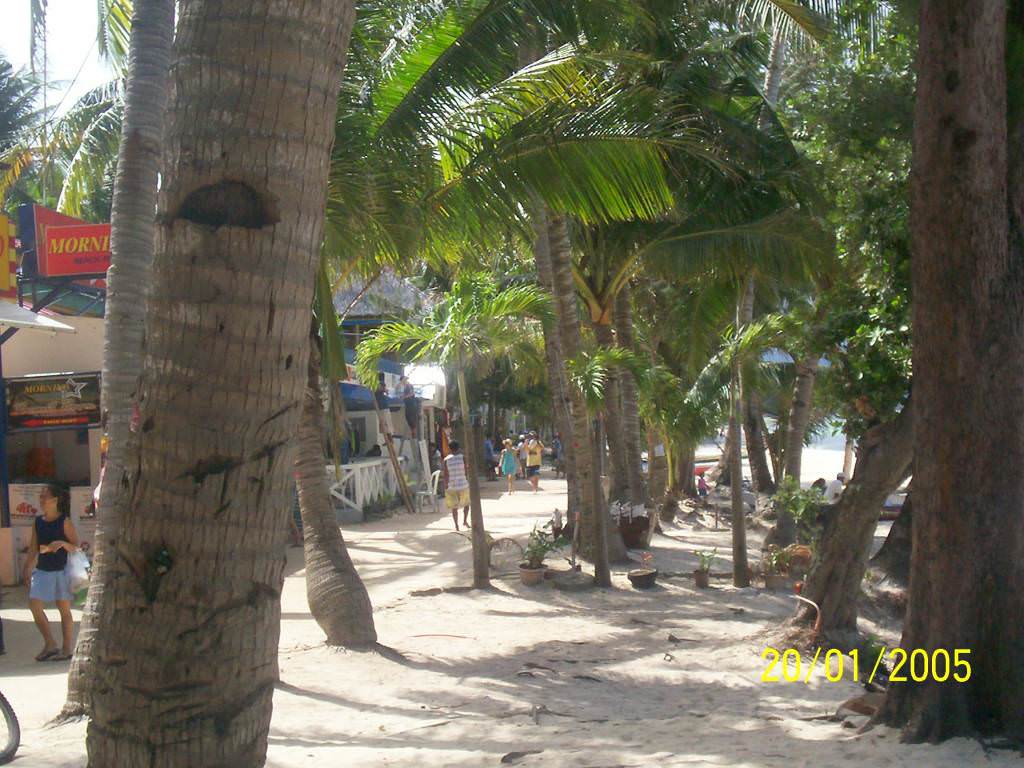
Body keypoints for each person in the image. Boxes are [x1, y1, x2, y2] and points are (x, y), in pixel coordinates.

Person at [23, 482, 78, 662]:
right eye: (40, 496)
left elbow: (76, 547)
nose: (41, 499)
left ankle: (67, 648)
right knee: (34, 605)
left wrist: (62, 544)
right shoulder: (38, 522)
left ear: (55, 500)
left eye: (44, 496)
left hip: (60, 570)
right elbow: (33, 547)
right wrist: (27, 567)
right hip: (42, 569)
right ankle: (50, 643)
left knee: (64, 610)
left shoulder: (64, 522)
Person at [443, 440, 471, 530]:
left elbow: (446, 474)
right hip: (463, 484)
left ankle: (456, 525)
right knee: (466, 505)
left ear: (450, 448)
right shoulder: (463, 457)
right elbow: (466, 471)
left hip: (452, 486)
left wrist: (446, 485)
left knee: (454, 507)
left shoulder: (446, 460)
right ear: (458, 448)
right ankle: (465, 521)